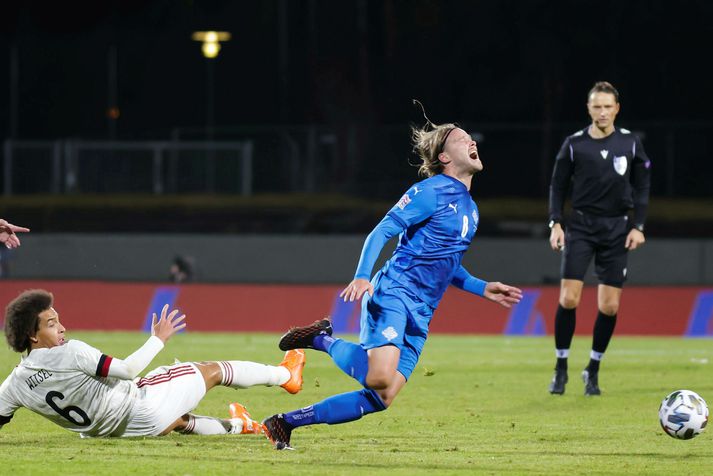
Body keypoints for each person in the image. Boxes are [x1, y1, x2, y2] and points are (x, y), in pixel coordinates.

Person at [261, 110, 523, 449]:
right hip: (394, 293)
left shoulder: (471, 209)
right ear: (444, 157)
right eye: (461, 139)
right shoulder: (430, 191)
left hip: (423, 312)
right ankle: (320, 340)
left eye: (470, 137)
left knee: (383, 397)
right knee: (379, 376)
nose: (471, 141)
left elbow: (448, 264)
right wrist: (362, 276)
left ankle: (284, 422)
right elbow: (382, 230)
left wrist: (481, 287)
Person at [0, 289, 306, 437]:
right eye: (52, 324)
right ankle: (284, 375)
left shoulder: (13, 385)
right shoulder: (70, 351)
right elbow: (128, 370)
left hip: (108, 432)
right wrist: (158, 338)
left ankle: (243, 426)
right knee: (210, 371)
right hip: (139, 410)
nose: (62, 328)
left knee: (173, 410)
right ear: (33, 335)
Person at [547, 81, 651, 396]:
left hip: (617, 230)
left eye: (608, 106)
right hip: (580, 226)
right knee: (569, 299)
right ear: (589, 108)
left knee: (609, 306)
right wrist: (556, 223)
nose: (602, 112)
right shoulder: (574, 144)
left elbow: (642, 185)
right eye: (597, 106)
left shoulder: (631, 143)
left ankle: (592, 369)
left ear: (616, 109)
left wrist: (639, 226)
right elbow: (557, 186)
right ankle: (561, 366)